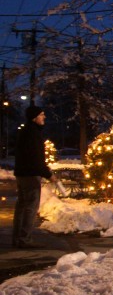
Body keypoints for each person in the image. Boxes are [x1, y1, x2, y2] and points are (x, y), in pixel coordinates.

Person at [12, 105, 54, 249]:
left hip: (21, 174)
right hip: (31, 175)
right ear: (34, 117)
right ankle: (25, 239)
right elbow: (36, 159)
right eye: (42, 115)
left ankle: (17, 237)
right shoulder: (34, 134)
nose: (44, 117)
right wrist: (48, 174)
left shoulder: (24, 132)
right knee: (30, 207)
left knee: (22, 207)